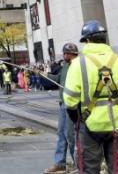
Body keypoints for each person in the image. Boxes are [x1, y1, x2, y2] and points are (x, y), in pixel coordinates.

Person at [63, 20, 118, 174]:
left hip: (90, 123)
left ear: (87, 40)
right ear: (104, 39)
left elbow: (70, 99)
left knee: (89, 168)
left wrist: (75, 115)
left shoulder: (78, 64)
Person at [44, 43, 78, 173]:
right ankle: (60, 163)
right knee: (61, 134)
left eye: (66, 53)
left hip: (72, 105)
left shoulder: (77, 66)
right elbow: (58, 79)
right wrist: (44, 74)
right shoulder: (65, 67)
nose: (64, 56)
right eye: (64, 53)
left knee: (71, 135)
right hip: (63, 104)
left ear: (72, 54)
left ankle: (77, 163)